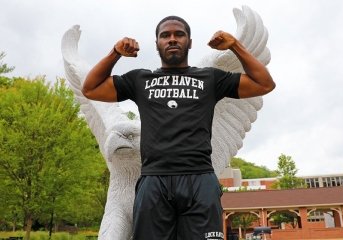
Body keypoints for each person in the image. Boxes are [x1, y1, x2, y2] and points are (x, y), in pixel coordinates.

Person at [82, 16, 275, 240]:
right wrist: (115, 52)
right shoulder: (140, 80)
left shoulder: (210, 78)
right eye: (165, 35)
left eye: (179, 34)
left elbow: (264, 83)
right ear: (157, 44)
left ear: (189, 42)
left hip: (199, 180)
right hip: (154, 180)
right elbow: (91, 88)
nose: (172, 39)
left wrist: (235, 45)